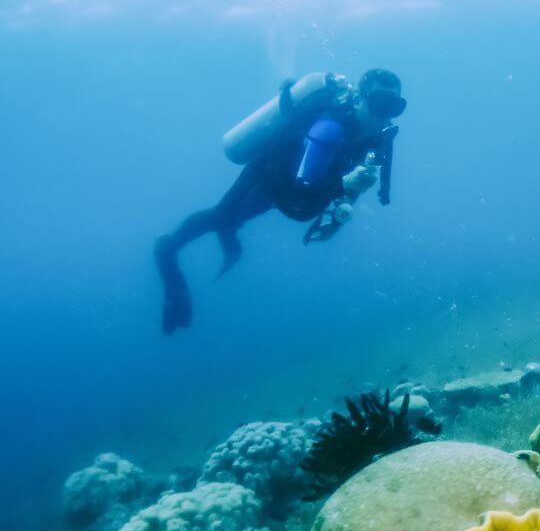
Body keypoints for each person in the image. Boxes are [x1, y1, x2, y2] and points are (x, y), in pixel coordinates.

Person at [154, 68, 406, 335]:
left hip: (292, 191)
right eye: (379, 103)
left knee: (232, 221)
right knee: (221, 217)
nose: (385, 113)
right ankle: (165, 250)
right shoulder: (329, 129)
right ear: (359, 99)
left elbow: (353, 183)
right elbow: (304, 190)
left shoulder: (378, 137)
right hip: (267, 175)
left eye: (395, 106)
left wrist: (338, 219)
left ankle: (228, 235)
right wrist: (344, 186)